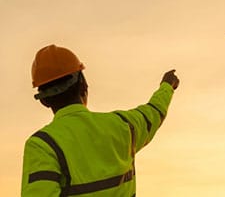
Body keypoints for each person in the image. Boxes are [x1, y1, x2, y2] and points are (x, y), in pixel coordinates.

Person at [21, 44, 180, 196]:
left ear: (44, 100)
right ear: (83, 84)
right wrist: (167, 85)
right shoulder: (124, 125)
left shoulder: (42, 145)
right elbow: (155, 111)